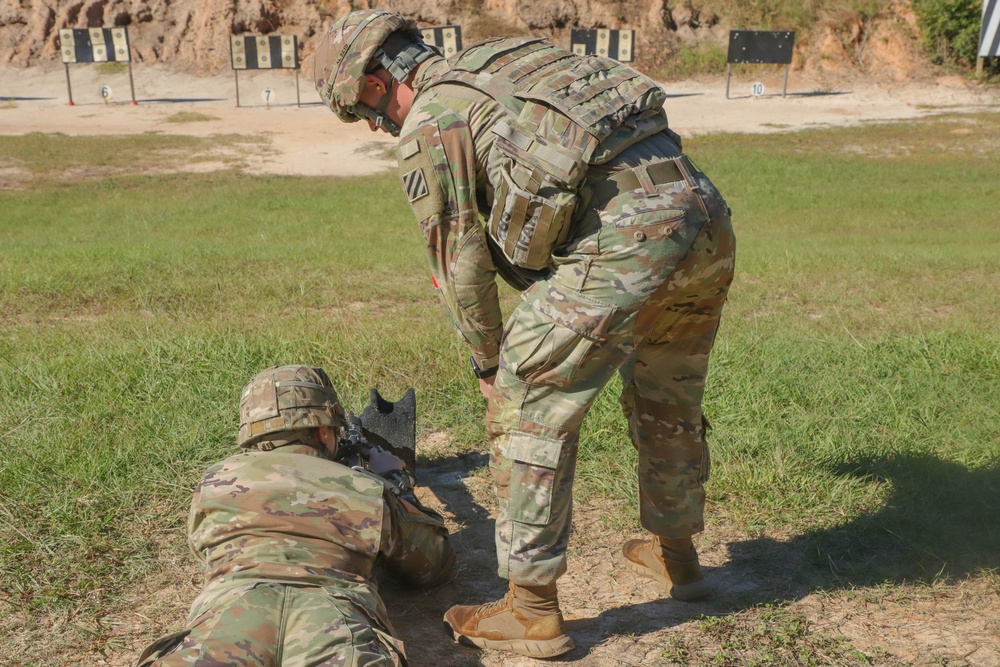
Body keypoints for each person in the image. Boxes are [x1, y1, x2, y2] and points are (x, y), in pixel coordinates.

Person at [314, 11, 736, 659]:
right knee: (667, 394)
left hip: (626, 234)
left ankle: (531, 609)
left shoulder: (433, 118)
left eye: (364, 114)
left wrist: (490, 365)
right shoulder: (504, 59)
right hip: (702, 214)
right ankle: (678, 557)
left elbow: (459, 258)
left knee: (524, 402)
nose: (375, 127)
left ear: (374, 82)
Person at [135, 365, 454, 667]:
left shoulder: (214, 483)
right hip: (334, 618)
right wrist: (398, 487)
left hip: (226, 614)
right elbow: (432, 566)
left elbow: (203, 552)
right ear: (322, 430)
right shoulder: (361, 487)